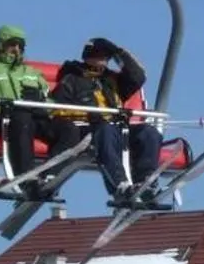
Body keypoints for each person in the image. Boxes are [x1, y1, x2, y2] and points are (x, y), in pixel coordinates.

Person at [53, 36, 162, 202]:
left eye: (106, 56)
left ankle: (146, 180)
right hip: (88, 129)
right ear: (88, 56)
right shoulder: (71, 79)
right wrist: (91, 115)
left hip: (116, 128)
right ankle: (120, 185)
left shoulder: (111, 80)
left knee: (148, 132)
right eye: (99, 55)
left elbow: (138, 77)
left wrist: (119, 53)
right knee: (106, 130)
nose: (103, 59)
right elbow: (58, 109)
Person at [0, 25, 76, 192]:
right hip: (5, 119)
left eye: (20, 46)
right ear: (1, 45)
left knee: (68, 129)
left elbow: (50, 101)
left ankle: (48, 174)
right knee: (21, 117)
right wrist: (9, 108)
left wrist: (40, 105)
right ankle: (26, 178)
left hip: (34, 118)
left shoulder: (33, 73)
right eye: (12, 44)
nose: (16, 49)